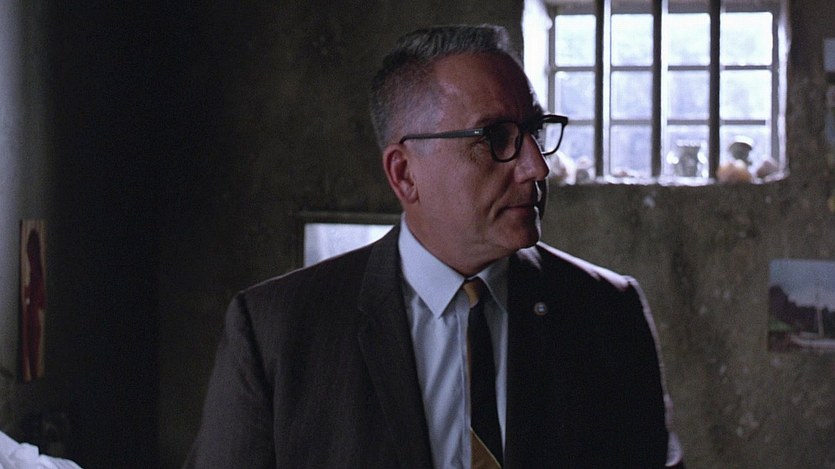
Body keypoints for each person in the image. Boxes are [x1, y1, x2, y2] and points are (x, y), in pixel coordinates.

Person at [185, 24, 683, 468]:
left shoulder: (607, 312)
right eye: (495, 137)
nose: (536, 166)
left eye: (533, 131)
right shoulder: (277, 329)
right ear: (405, 174)